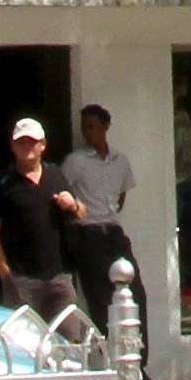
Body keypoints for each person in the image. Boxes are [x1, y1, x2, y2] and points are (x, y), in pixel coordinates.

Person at [0, 118, 83, 324]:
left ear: (43, 145)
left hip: (59, 279)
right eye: (21, 142)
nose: (27, 147)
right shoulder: (1, 182)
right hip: (22, 280)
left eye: (32, 142)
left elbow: (81, 212)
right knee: (22, 347)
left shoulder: (55, 174)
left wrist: (72, 204)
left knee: (69, 347)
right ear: (12, 146)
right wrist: (7, 276)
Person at [60, 105, 136, 320]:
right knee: (99, 295)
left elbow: (121, 195)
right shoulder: (76, 161)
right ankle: (106, 348)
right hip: (88, 232)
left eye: (92, 127)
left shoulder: (120, 160)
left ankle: (138, 349)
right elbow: (62, 193)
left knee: (134, 290)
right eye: (85, 128)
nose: (88, 132)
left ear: (105, 126)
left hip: (113, 231)